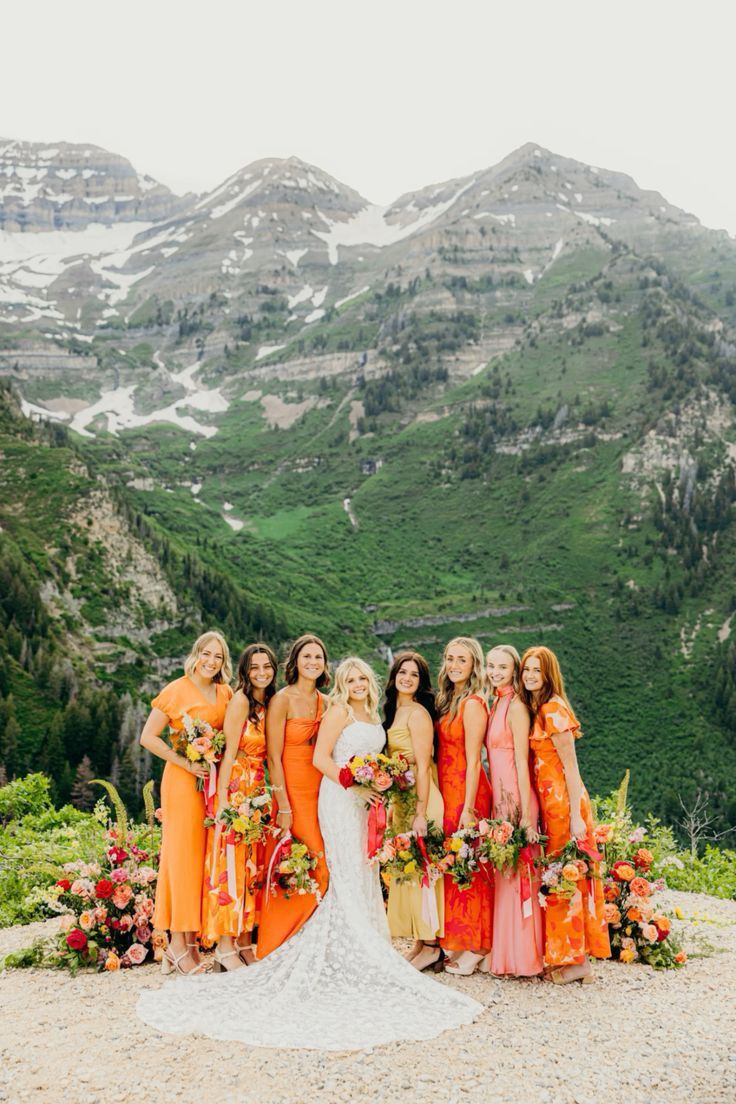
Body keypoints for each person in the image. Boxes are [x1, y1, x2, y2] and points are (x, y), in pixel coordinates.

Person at [136, 657, 481, 1049]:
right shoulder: (335, 712)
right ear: (343, 683)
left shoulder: (374, 714)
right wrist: (354, 784)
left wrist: (377, 783)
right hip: (339, 798)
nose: (356, 684)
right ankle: (332, 945)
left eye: (361, 678)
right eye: (349, 679)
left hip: (365, 803)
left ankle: (368, 943)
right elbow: (321, 759)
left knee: (363, 871)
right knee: (343, 869)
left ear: (369, 681)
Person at [139, 631, 233, 975]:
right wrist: (184, 762)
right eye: (206, 654)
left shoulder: (225, 692)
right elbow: (148, 737)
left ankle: (191, 944)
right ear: (196, 654)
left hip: (212, 784)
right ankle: (178, 945)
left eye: (218, 657)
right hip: (182, 783)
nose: (211, 661)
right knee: (181, 859)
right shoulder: (175, 690)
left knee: (203, 859)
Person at [520, 645, 610, 983]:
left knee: (566, 879)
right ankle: (566, 956)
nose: (530, 675)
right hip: (550, 804)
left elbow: (571, 769)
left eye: (536, 671)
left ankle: (578, 961)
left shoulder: (554, 709)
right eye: (526, 669)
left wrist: (575, 817)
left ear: (548, 675)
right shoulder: (539, 707)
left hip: (564, 804)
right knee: (559, 878)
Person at [201, 643, 277, 970]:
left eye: (266, 666)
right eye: (254, 667)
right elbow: (229, 755)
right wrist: (221, 802)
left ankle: (245, 940)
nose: (261, 672)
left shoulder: (267, 703)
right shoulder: (241, 701)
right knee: (230, 864)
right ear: (245, 671)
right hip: (237, 788)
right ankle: (224, 945)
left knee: (251, 868)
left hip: (258, 788)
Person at [257, 634, 330, 957]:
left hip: (322, 793)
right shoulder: (282, 700)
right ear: (295, 662)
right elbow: (273, 757)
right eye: (307, 657)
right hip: (292, 793)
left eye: (318, 657)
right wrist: (282, 804)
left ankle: (312, 938)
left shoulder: (326, 702)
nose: (313, 662)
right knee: (299, 860)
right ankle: (281, 940)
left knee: (323, 864)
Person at [484, 645, 544, 977]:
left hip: (516, 797)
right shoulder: (498, 702)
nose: (495, 672)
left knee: (521, 875)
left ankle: (525, 957)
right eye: (491, 666)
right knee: (506, 874)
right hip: (500, 798)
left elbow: (522, 760)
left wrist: (526, 813)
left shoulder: (517, 706)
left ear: (514, 670)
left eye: (502, 667)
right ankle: (507, 955)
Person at [383, 651, 444, 971]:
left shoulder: (417, 713)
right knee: (412, 871)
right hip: (403, 801)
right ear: (394, 677)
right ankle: (421, 943)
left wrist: (420, 812)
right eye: (402, 672)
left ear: (421, 682)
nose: (407, 678)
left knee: (425, 873)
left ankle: (432, 946)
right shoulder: (395, 711)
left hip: (422, 800)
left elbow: (423, 767)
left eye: (414, 674)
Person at [435, 637, 493, 976]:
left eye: (462, 660)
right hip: (447, 787)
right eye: (451, 658)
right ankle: (458, 941)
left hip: (466, 789)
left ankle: (476, 945)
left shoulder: (472, 703)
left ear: (474, 666)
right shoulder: (449, 699)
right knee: (454, 864)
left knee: (469, 865)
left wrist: (469, 807)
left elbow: (475, 761)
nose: (455, 665)